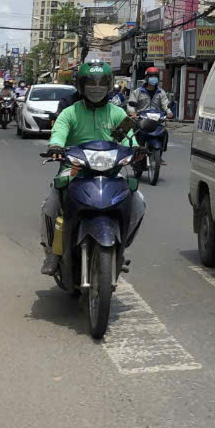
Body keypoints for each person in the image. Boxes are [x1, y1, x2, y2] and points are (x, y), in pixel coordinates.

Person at [40, 61, 144, 275]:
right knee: (51, 204)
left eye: (101, 83)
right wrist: (56, 146)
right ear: (81, 86)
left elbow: (130, 139)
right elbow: (58, 132)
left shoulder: (116, 113)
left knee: (139, 202)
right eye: (90, 83)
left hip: (111, 172)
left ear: (109, 86)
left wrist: (135, 149)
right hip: (75, 170)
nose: (96, 88)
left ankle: (121, 247)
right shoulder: (70, 112)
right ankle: (53, 252)